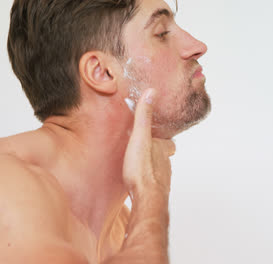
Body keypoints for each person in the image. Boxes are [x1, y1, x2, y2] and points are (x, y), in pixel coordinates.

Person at [0, 0, 210, 262]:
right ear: (102, 72)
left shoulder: (123, 230)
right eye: (162, 33)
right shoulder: (7, 187)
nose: (198, 47)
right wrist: (150, 195)